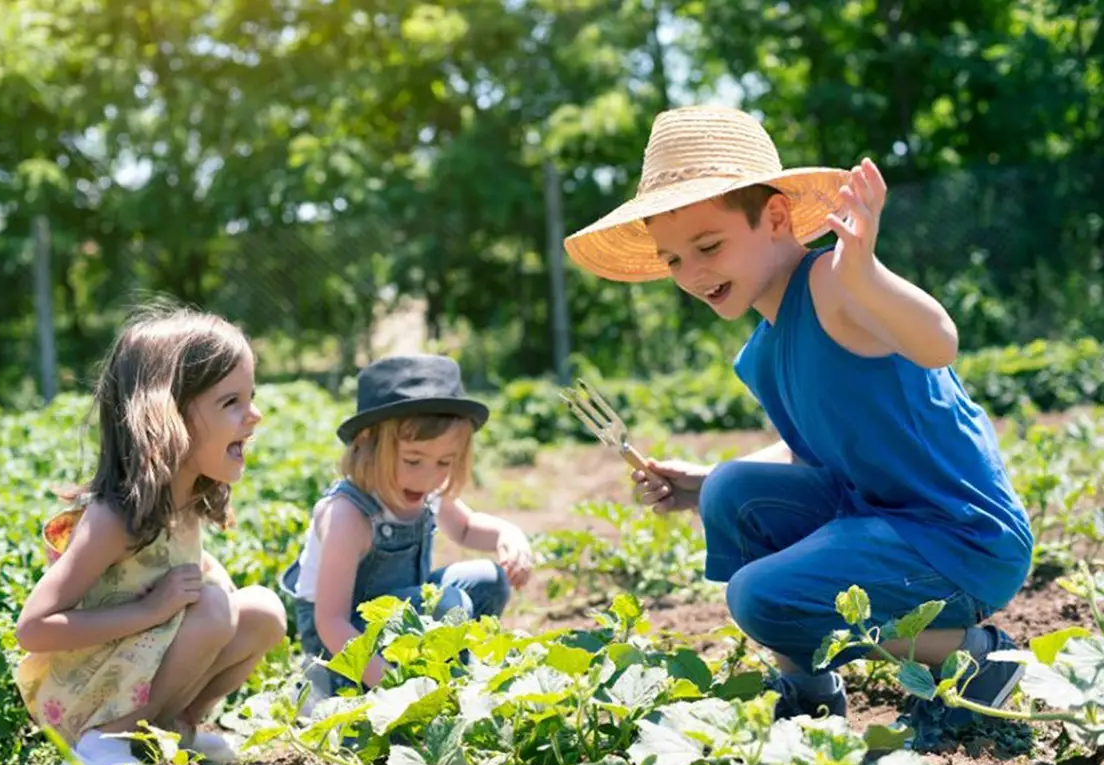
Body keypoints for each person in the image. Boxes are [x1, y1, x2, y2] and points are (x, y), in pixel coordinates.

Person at [562, 105, 1033, 729]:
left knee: (759, 596)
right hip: (887, 525)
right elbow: (812, 456)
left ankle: (975, 662)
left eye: (708, 246)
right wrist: (700, 485)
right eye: (674, 260)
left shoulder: (835, 284)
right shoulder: (762, 352)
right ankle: (809, 690)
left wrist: (864, 270)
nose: (693, 274)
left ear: (777, 218)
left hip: (960, 539)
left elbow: (939, 341)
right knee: (731, 490)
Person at [13, 305, 287, 765]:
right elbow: (34, 629)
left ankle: (176, 728)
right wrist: (152, 610)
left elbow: (184, 570)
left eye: (252, 396)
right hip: (87, 693)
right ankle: (101, 747)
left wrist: (204, 581)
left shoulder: (186, 499)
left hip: (141, 671)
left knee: (262, 610)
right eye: (231, 402)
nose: (255, 415)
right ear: (168, 416)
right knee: (216, 611)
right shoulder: (114, 518)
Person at [280, 354, 534, 706]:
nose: (429, 477)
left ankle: (444, 679)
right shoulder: (348, 516)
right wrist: (394, 687)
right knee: (452, 603)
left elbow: (466, 528)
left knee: (489, 580)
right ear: (368, 443)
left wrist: (509, 535)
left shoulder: (425, 491)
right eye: (413, 460)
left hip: (399, 624)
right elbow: (331, 623)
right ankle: (332, 688)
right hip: (343, 647)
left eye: (445, 462)